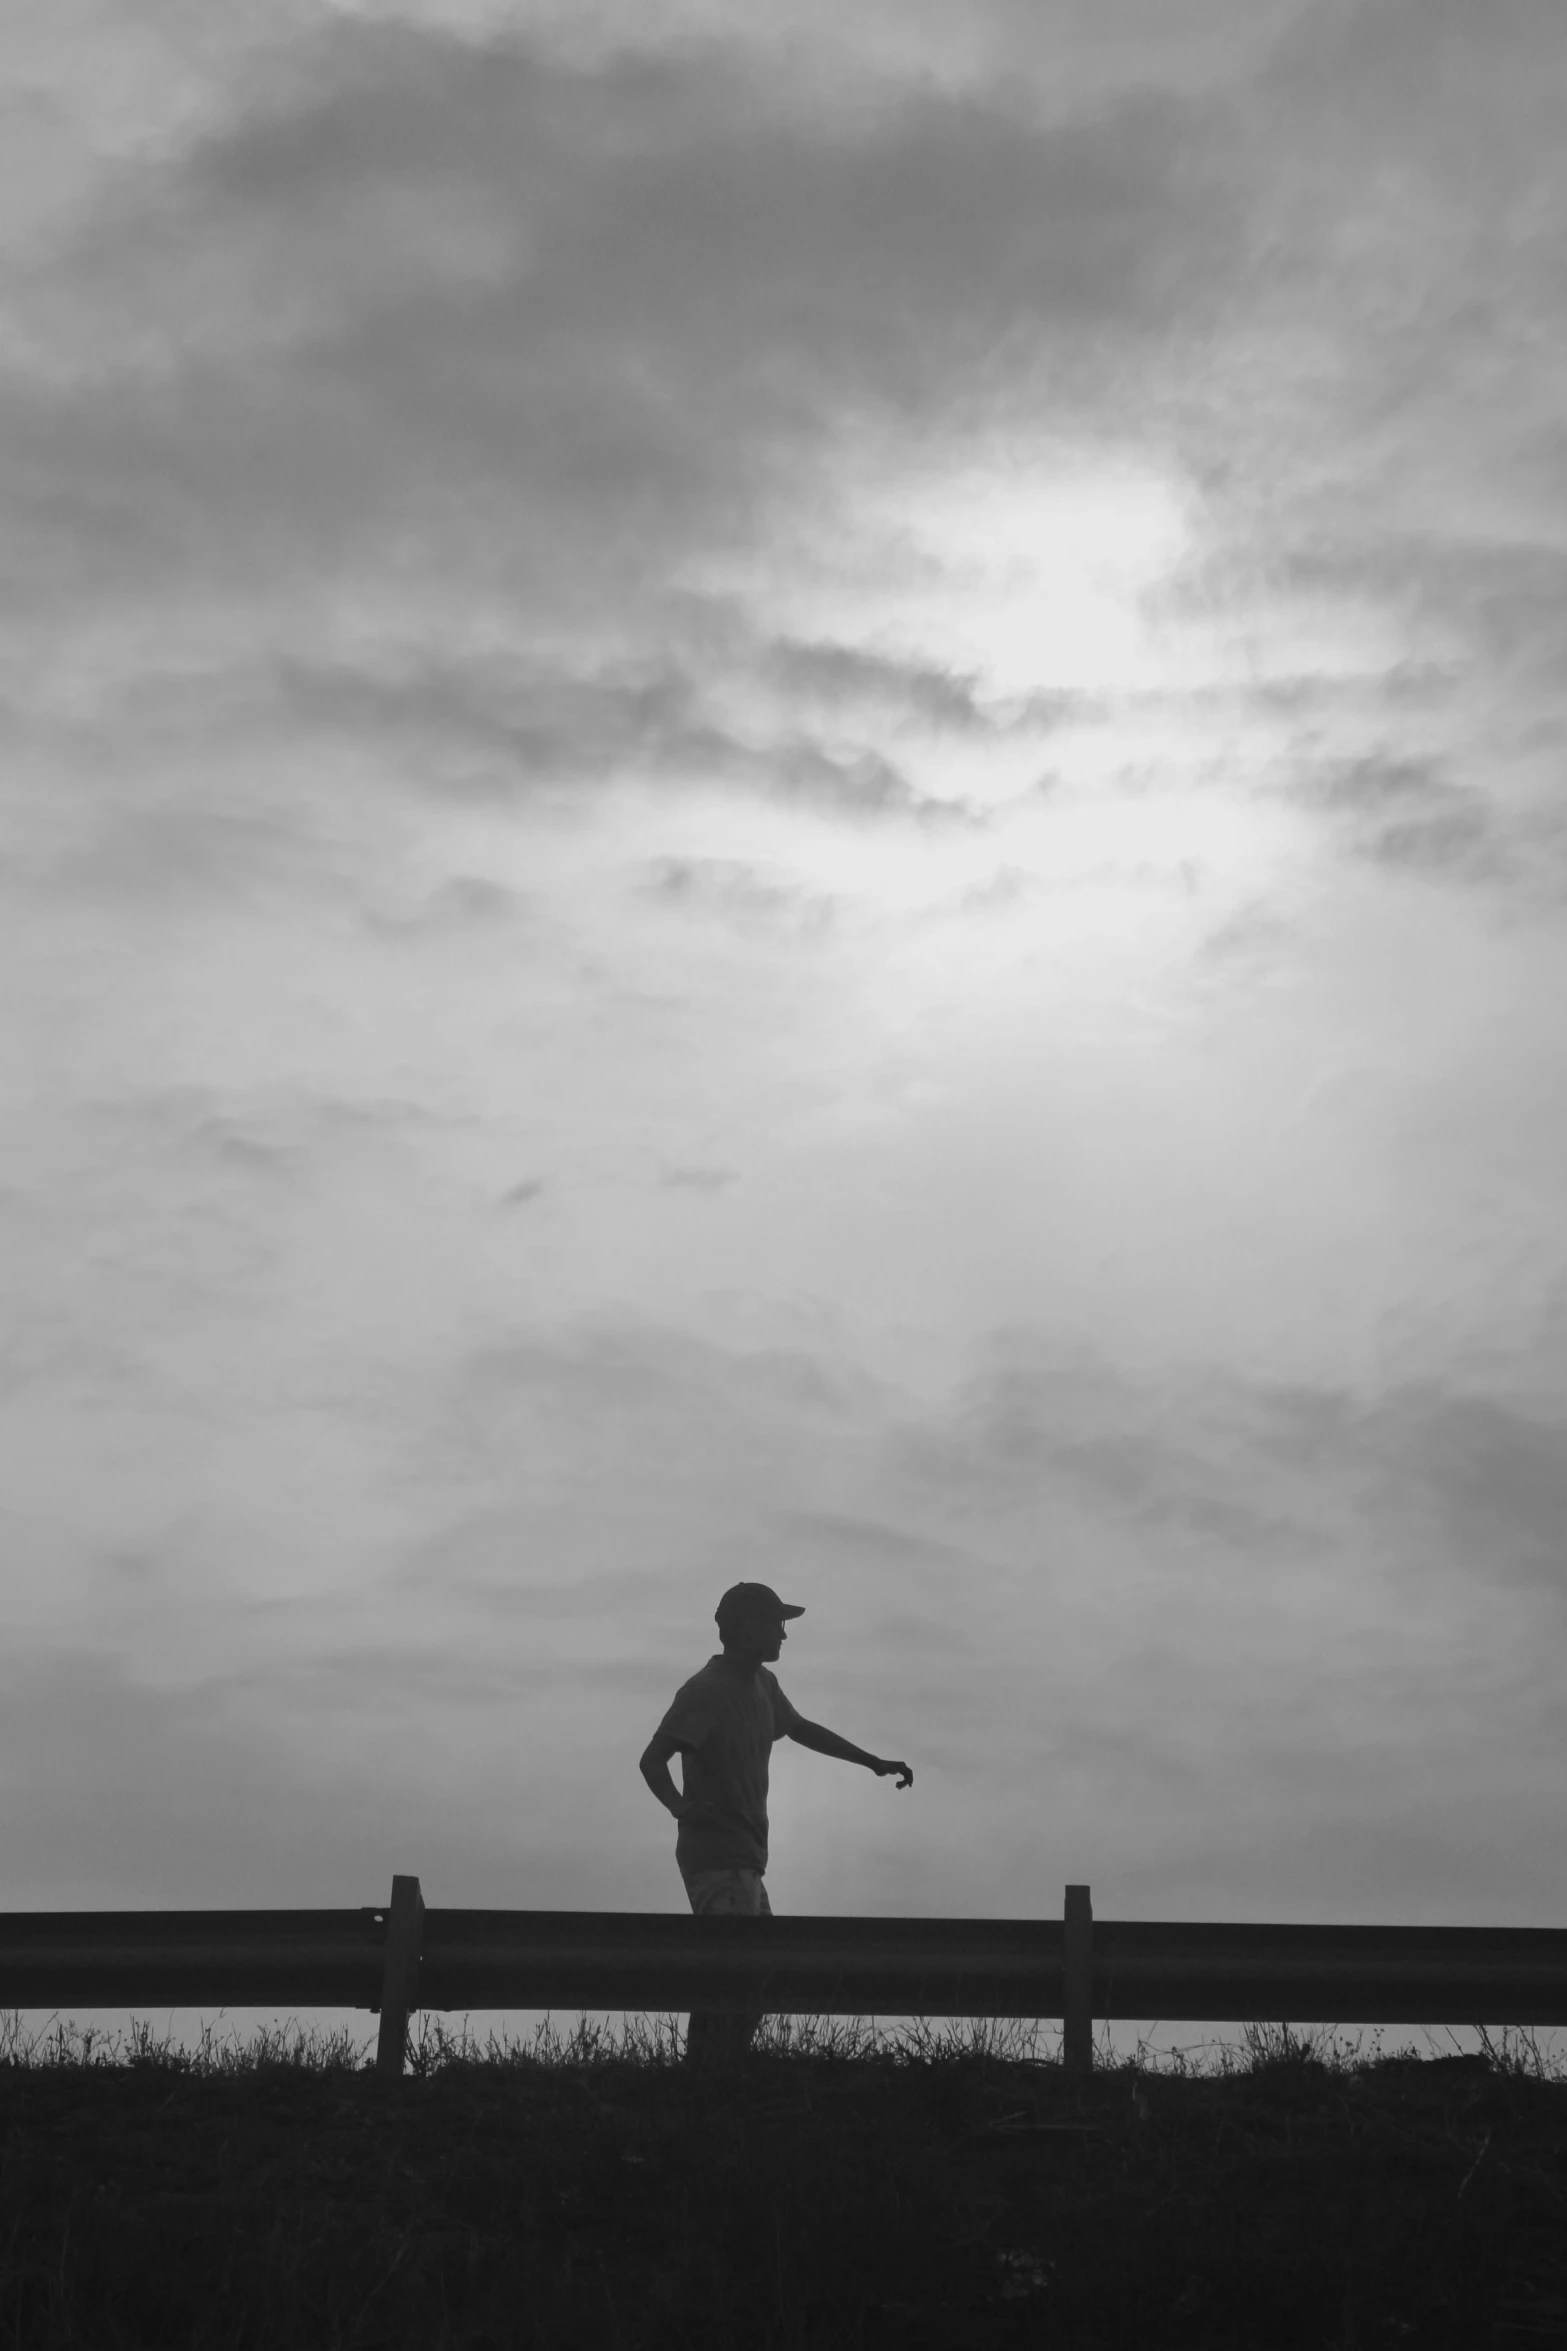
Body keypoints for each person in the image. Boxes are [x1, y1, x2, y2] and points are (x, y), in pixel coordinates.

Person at [638, 1581, 913, 2064]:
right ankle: (704, 2075)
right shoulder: (704, 1691)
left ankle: (717, 2071)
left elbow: (801, 1728)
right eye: (776, 1624)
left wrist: (871, 1761)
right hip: (715, 1855)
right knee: (734, 1974)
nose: (784, 1636)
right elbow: (652, 1761)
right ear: (745, 1630)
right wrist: (682, 1809)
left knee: (756, 1972)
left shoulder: (764, 1685)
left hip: (746, 1855)